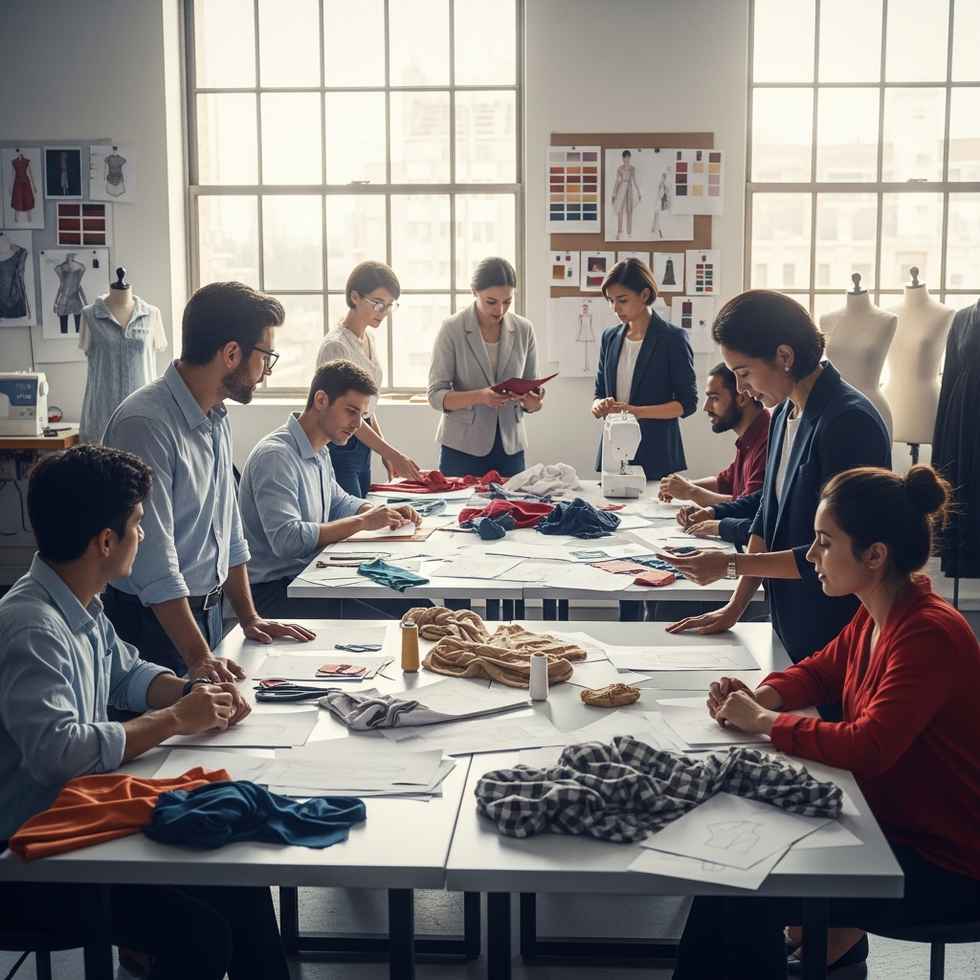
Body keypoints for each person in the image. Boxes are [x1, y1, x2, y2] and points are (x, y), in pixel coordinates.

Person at [673, 465, 980, 980]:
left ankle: (826, 948)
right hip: (885, 825)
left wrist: (766, 721)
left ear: (875, 554)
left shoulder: (928, 633)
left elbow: (870, 747)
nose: (811, 555)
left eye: (823, 542)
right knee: (725, 875)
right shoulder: (880, 609)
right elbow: (819, 672)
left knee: (753, 890)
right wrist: (758, 695)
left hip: (945, 861)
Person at [0, 445, 290, 980]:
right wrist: (178, 720)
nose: (145, 536)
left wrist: (189, 694)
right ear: (105, 541)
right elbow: (58, 753)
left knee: (240, 883)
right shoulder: (32, 626)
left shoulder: (80, 600)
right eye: (138, 525)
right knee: (201, 936)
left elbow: (128, 674)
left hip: (78, 821)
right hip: (30, 854)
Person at [665, 290, 891, 669]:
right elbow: (766, 520)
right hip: (790, 613)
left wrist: (731, 565)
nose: (741, 390)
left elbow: (839, 552)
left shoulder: (848, 422)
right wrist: (734, 607)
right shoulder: (785, 412)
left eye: (744, 373)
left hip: (836, 620)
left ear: (784, 357)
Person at [102, 281, 314, 683]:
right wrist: (199, 656)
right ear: (231, 354)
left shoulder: (217, 417)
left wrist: (249, 617)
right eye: (266, 356)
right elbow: (154, 563)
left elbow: (228, 530)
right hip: (154, 623)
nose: (267, 371)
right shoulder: (146, 424)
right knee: (165, 742)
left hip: (208, 614)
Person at [240, 359, 421, 620]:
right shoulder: (275, 456)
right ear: (321, 400)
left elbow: (338, 502)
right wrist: (362, 521)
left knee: (419, 607)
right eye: (351, 411)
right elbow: (287, 542)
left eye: (362, 415)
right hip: (275, 593)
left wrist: (381, 513)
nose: (358, 424)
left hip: (310, 577)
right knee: (401, 625)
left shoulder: (320, 450)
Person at [428, 257, 545, 478]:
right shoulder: (452, 329)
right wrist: (481, 396)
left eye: (507, 301)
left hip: (511, 446)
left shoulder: (524, 329)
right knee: (458, 511)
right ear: (474, 291)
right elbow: (435, 395)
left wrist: (533, 403)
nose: (500, 309)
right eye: (491, 301)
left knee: (512, 510)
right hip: (461, 447)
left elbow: (531, 391)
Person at [316, 261, 423, 496]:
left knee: (366, 519)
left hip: (363, 446)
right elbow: (345, 412)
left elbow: (366, 406)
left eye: (388, 305)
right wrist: (393, 453)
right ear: (355, 297)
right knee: (351, 523)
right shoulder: (336, 346)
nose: (383, 312)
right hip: (341, 444)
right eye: (377, 304)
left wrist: (383, 452)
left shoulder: (368, 338)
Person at [591, 257, 699, 481]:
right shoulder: (609, 338)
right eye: (610, 301)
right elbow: (599, 391)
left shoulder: (673, 338)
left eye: (622, 300)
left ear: (644, 295)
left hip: (656, 452)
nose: (615, 308)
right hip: (613, 449)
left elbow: (687, 403)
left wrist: (636, 411)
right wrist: (599, 405)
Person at [659, 361, 770, 549]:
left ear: (742, 398)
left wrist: (691, 492)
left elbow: (748, 508)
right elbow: (724, 482)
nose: (706, 407)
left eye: (715, 398)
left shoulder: (768, 439)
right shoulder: (749, 437)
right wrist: (682, 485)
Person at [610, 149, 640, 240]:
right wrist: (614, 193)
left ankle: (629, 231)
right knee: (620, 209)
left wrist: (638, 192)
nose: (627, 159)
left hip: (629, 189)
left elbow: (634, 180)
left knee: (629, 210)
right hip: (621, 188)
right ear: (623, 158)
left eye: (629, 157)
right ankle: (619, 231)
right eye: (626, 157)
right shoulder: (620, 169)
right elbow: (616, 181)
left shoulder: (632, 169)